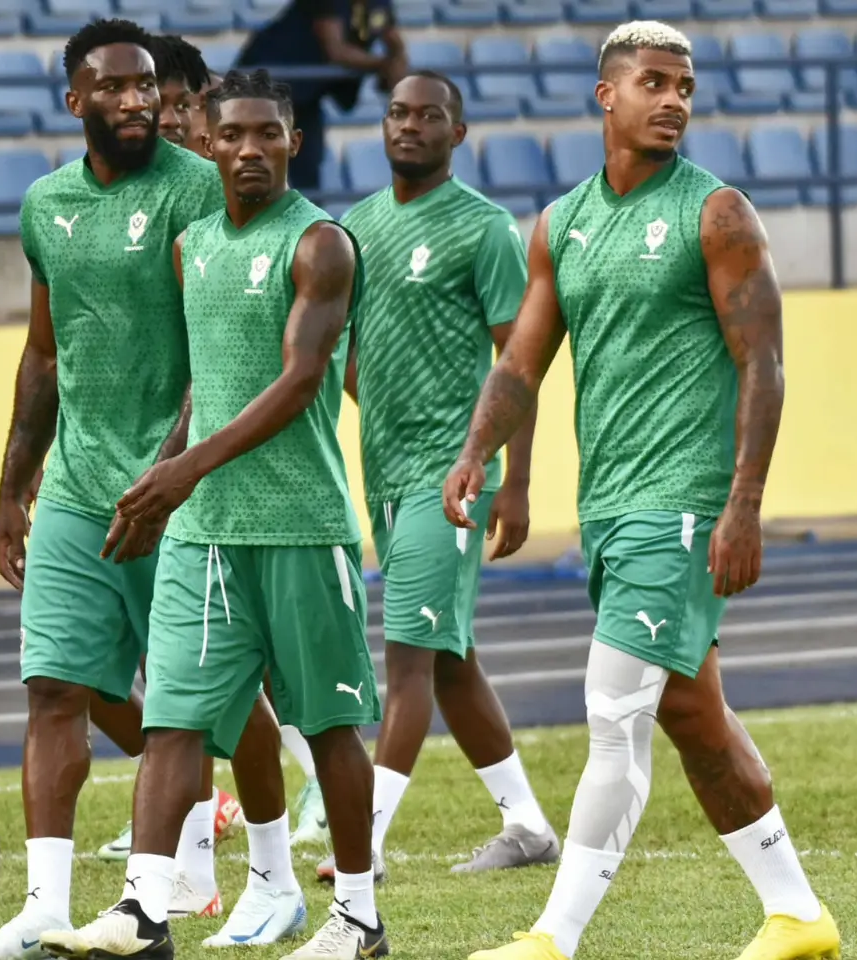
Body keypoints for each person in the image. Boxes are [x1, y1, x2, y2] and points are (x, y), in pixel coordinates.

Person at [444, 21, 839, 960]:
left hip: (685, 503)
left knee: (614, 715)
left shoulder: (719, 213)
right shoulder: (561, 223)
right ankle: (798, 916)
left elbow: (764, 367)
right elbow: (522, 363)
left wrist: (744, 505)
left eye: (685, 86)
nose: (673, 101)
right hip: (614, 505)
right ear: (605, 96)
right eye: (653, 83)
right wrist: (475, 453)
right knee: (695, 716)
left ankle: (553, 937)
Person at [41, 68, 389, 960]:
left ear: (293, 142)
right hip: (204, 531)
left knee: (327, 721)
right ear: (208, 142)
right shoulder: (193, 244)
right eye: (230, 136)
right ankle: (143, 910)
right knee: (174, 722)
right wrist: (164, 482)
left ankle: (359, 919)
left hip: (301, 527)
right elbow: (208, 387)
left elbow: (299, 381)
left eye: (266, 135)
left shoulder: (321, 244)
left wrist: (182, 471)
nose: (246, 151)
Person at [0, 21, 286, 960]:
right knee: (56, 690)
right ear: (76, 101)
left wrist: (175, 467)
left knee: (230, 708)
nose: (138, 100)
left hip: (183, 494)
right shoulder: (44, 206)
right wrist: (11, 487)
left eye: (147, 86)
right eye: (113, 87)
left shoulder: (199, 192)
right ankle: (44, 906)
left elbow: (224, 343)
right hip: (75, 490)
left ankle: (270, 882)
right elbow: (43, 351)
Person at [314, 70, 558, 886]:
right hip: (383, 469)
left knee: (409, 655)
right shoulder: (355, 229)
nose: (409, 125)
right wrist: (378, 402)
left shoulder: (484, 229)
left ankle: (365, 844)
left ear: (459, 134)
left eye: (429, 116)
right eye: (396, 112)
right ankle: (525, 822)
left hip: (452, 475)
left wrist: (511, 479)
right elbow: (346, 353)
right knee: (449, 659)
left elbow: (519, 362)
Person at [85, 32, 248, 876]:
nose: (169, 117)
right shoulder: (98, 201)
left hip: (214, 477)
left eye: (181, 103)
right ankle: (189, 842)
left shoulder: (221, 202)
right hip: (109, 475)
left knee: (241, 683)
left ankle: (262, 863)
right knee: (94, 675)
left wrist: (183, 458)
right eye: (163, 102)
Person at [235, 0, 407, 191]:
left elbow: (393, 41)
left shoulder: (379, 4)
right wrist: (384, 65)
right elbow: (336, 51)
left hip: (305, 95)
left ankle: (306, 217)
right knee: (257, 164)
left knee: (308, 167)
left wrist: (396, 61)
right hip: (264, 85)